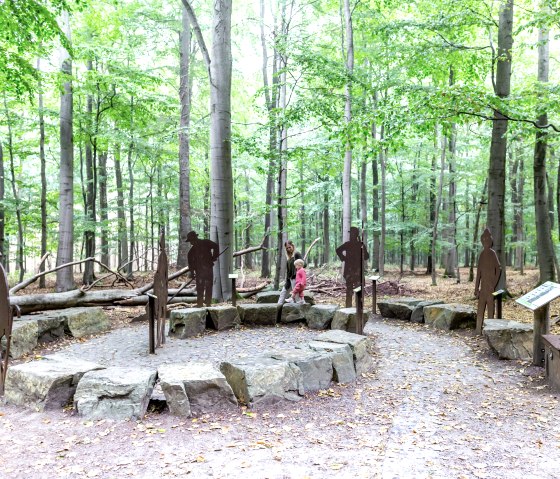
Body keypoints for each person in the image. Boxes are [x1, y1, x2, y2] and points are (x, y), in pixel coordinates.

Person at [474, 228, 501, 334]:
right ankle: (478, 329)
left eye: (487, 240)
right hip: (483, 288)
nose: (485, 241)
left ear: (490, 241)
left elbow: (499, 269)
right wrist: (476, 288)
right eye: (483, 240)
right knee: (480, 309)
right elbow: (479, 273)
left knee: (490, 309)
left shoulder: (492, 253)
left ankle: (490, 332)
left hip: (490, 288)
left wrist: (493, 284)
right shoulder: (482, 254)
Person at [336, 226, 369, 307]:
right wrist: (343, 258)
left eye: (352, 234)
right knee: (352, 290)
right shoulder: (355, 244)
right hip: (353, 272)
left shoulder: (357, 244)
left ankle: (356, 308)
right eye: (351, 234)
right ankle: (353, 308)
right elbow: (338, 250)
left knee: (355, 290)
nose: (351, 235)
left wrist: (343, 258)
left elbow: (366, 256)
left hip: (355, 272)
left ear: (355, 234)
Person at [186, 231, 219, 307]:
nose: (190, 242)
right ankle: (201, 304)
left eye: (191, 240)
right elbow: (190, 264)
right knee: (201, 288)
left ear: (195, 238)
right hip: (200, 272)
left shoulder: (206, 242)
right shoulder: (191, 252)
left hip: (207, 270)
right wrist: (192, 272)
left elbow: (216, 246)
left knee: (207, 286)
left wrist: (214, 256)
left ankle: (207, 304)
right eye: (190, 241)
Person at [278, 240, 304, 304]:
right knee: (283, 293)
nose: (288, 249)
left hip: (296, 279)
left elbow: (304, 264)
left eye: (289, 247)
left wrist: (299, 263)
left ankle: (302, 310)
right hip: (290, 279)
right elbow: (288, 271)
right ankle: (278, 308)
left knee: (297, 298)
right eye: (287, 248)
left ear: (292, 246)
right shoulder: (289, 258)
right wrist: (287, 280)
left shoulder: (297, 254)